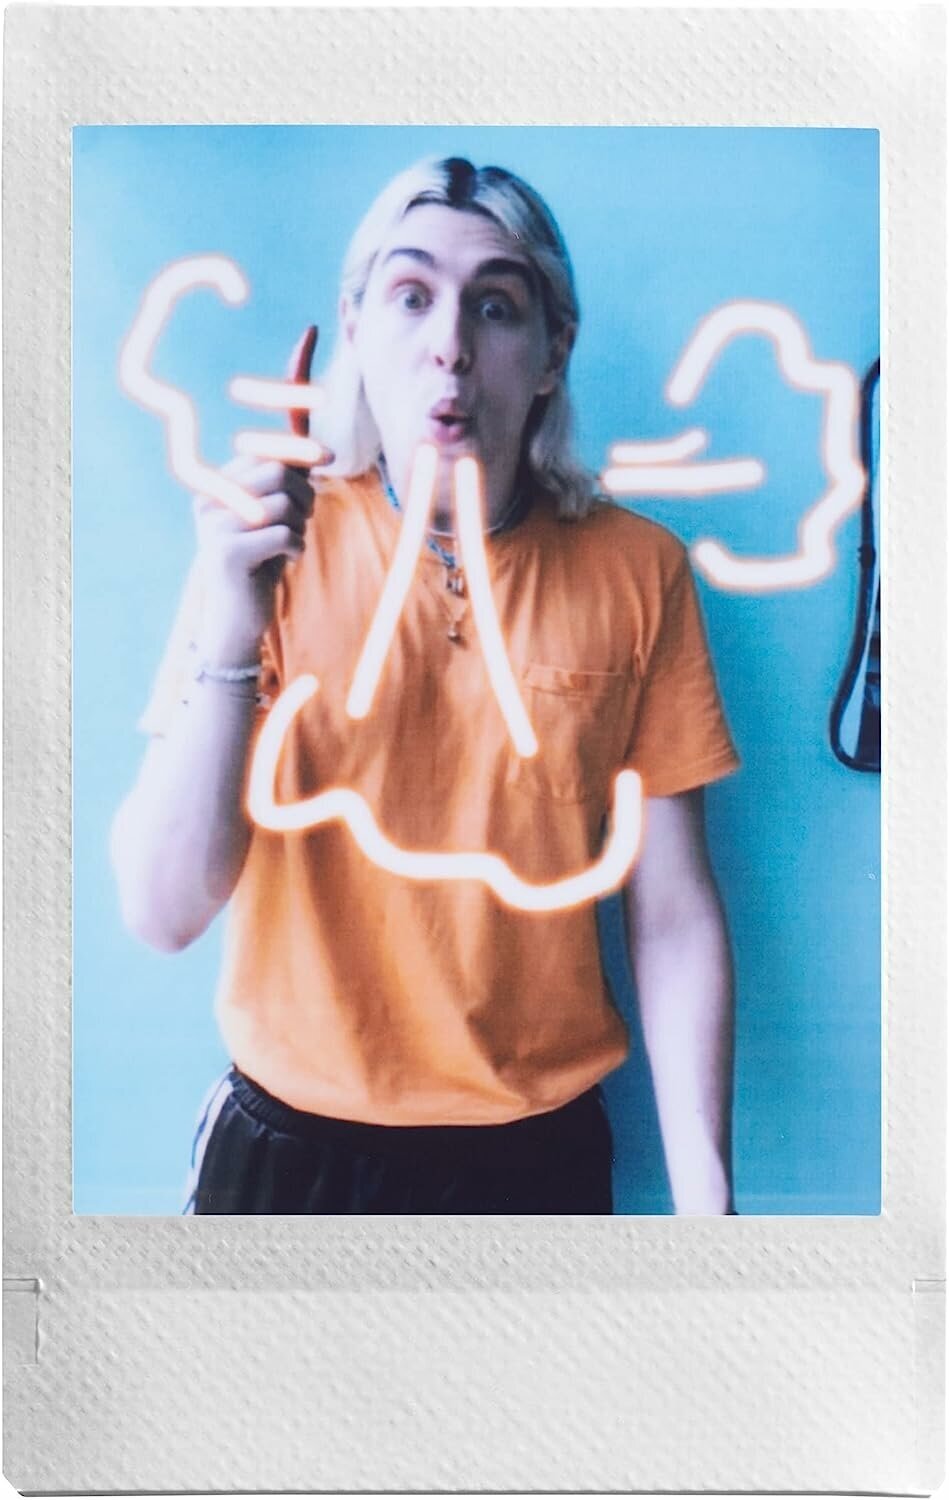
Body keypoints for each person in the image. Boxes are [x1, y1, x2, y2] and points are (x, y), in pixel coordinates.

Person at [111, 156, 740, 1215]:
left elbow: (672, 915)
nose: (449, 344)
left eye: (495, 306)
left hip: (534, 1159)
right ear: (356, 329)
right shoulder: (265, 548)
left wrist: (709, 1205)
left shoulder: (639, 572)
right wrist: (231, 624)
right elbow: (163, 912)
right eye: (410, 296)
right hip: (287, 1149)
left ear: (552, 353)